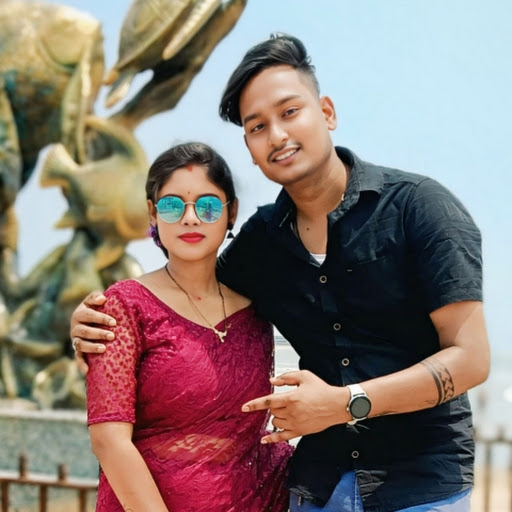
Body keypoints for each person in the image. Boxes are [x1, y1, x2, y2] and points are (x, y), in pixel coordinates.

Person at [71, 35, 490, 512]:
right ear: (250, 148)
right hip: (317, 487)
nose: (277, 135)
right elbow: (189, 296)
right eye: (257, 126)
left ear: (326, 112)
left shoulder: (420, 208)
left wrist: (345, 402)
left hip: (421, 485)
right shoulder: (261, 243)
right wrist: (95, 326)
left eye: (290, 112)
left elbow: (472, 359)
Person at [83, 142, 292, 512]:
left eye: (208, 206)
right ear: (153, 213)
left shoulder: (255, 313)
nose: (191, 218)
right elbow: (109, 440)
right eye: (172, 205)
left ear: (231, 212)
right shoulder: (125, 305)